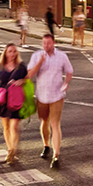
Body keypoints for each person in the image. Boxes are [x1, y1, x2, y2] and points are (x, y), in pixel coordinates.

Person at [27, 34, 73, 169]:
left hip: (57, 95)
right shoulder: (36, 56)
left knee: (55, 124)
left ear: (53, 43)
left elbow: (69, 71)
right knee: (44, 122)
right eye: (44, 43)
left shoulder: (62, 56)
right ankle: (46, 145)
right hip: (42, 95)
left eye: (48, 43)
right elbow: (30, 75)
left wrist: (66, 82)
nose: (46, 46)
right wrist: (40, 63)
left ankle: (56, 155)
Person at [0, 44, 28, 165]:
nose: (12, 54)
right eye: (10, 51)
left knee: (14, 125)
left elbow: (28, 78)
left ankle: (13, 149)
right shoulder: (0, 67)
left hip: (16, 99)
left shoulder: (21, 66)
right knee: (6, 126)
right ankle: (10, 150)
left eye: (14, 51)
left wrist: (22, 81)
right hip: (3, 99)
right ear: (6, 53)